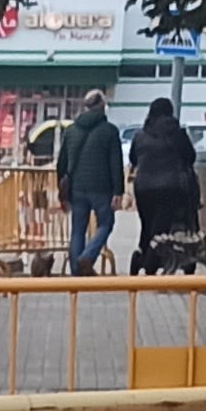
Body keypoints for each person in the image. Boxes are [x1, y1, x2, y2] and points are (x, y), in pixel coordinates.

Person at [127, 99, 202, 272]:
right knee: (161, 227)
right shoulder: (178, 134)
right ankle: (151, 262)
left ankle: (145, 254)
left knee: (147, 224)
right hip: (171, 188)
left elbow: (133, 159)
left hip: (143, 188)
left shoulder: (140, 135)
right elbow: (190, 157)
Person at [56, 90, 124, 274]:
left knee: (78, 229)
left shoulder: (71, 131)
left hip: (77, 188)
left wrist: (61, 191)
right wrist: (118, 191)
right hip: (102, 188)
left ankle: (77, 271)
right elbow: (115, 164)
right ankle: (88, 255)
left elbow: (61, 163)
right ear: (102, 106)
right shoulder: (110, 131)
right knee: (106, 224)